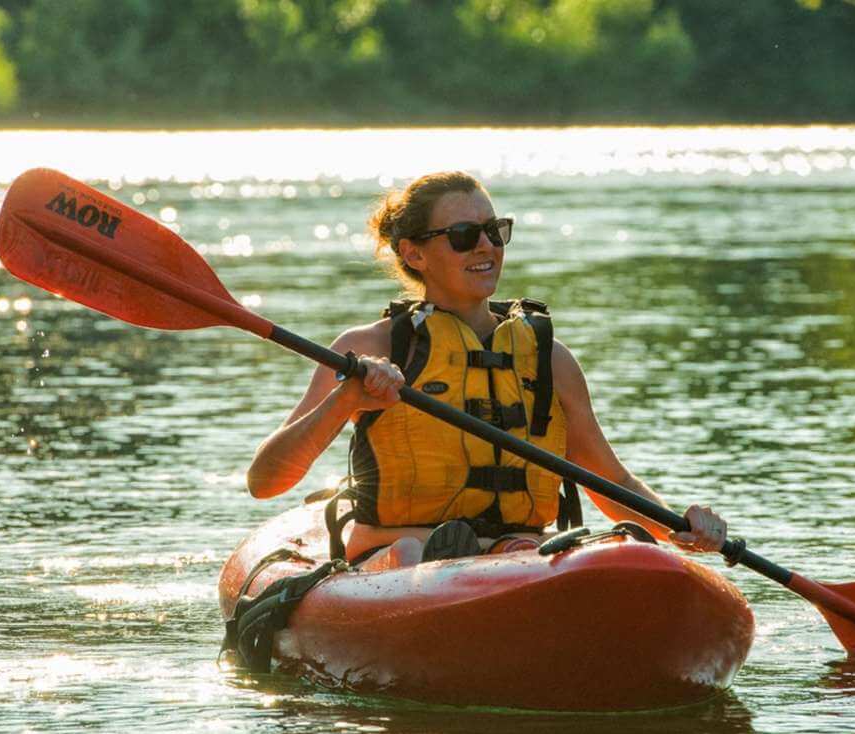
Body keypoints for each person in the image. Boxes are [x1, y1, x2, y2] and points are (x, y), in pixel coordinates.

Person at [247, 171, 730, 569]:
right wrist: (346, 399)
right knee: (412, 554)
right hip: (395, 557)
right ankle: (435, 565)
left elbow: (611, 481)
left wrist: (679, 526)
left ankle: (498, 567)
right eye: (463, 237)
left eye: (494, 231)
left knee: (564, 552)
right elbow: (266, 481)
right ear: (413, 253)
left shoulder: (549, 358)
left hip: (514, 557)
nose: (486, 247)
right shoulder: (368, 348)